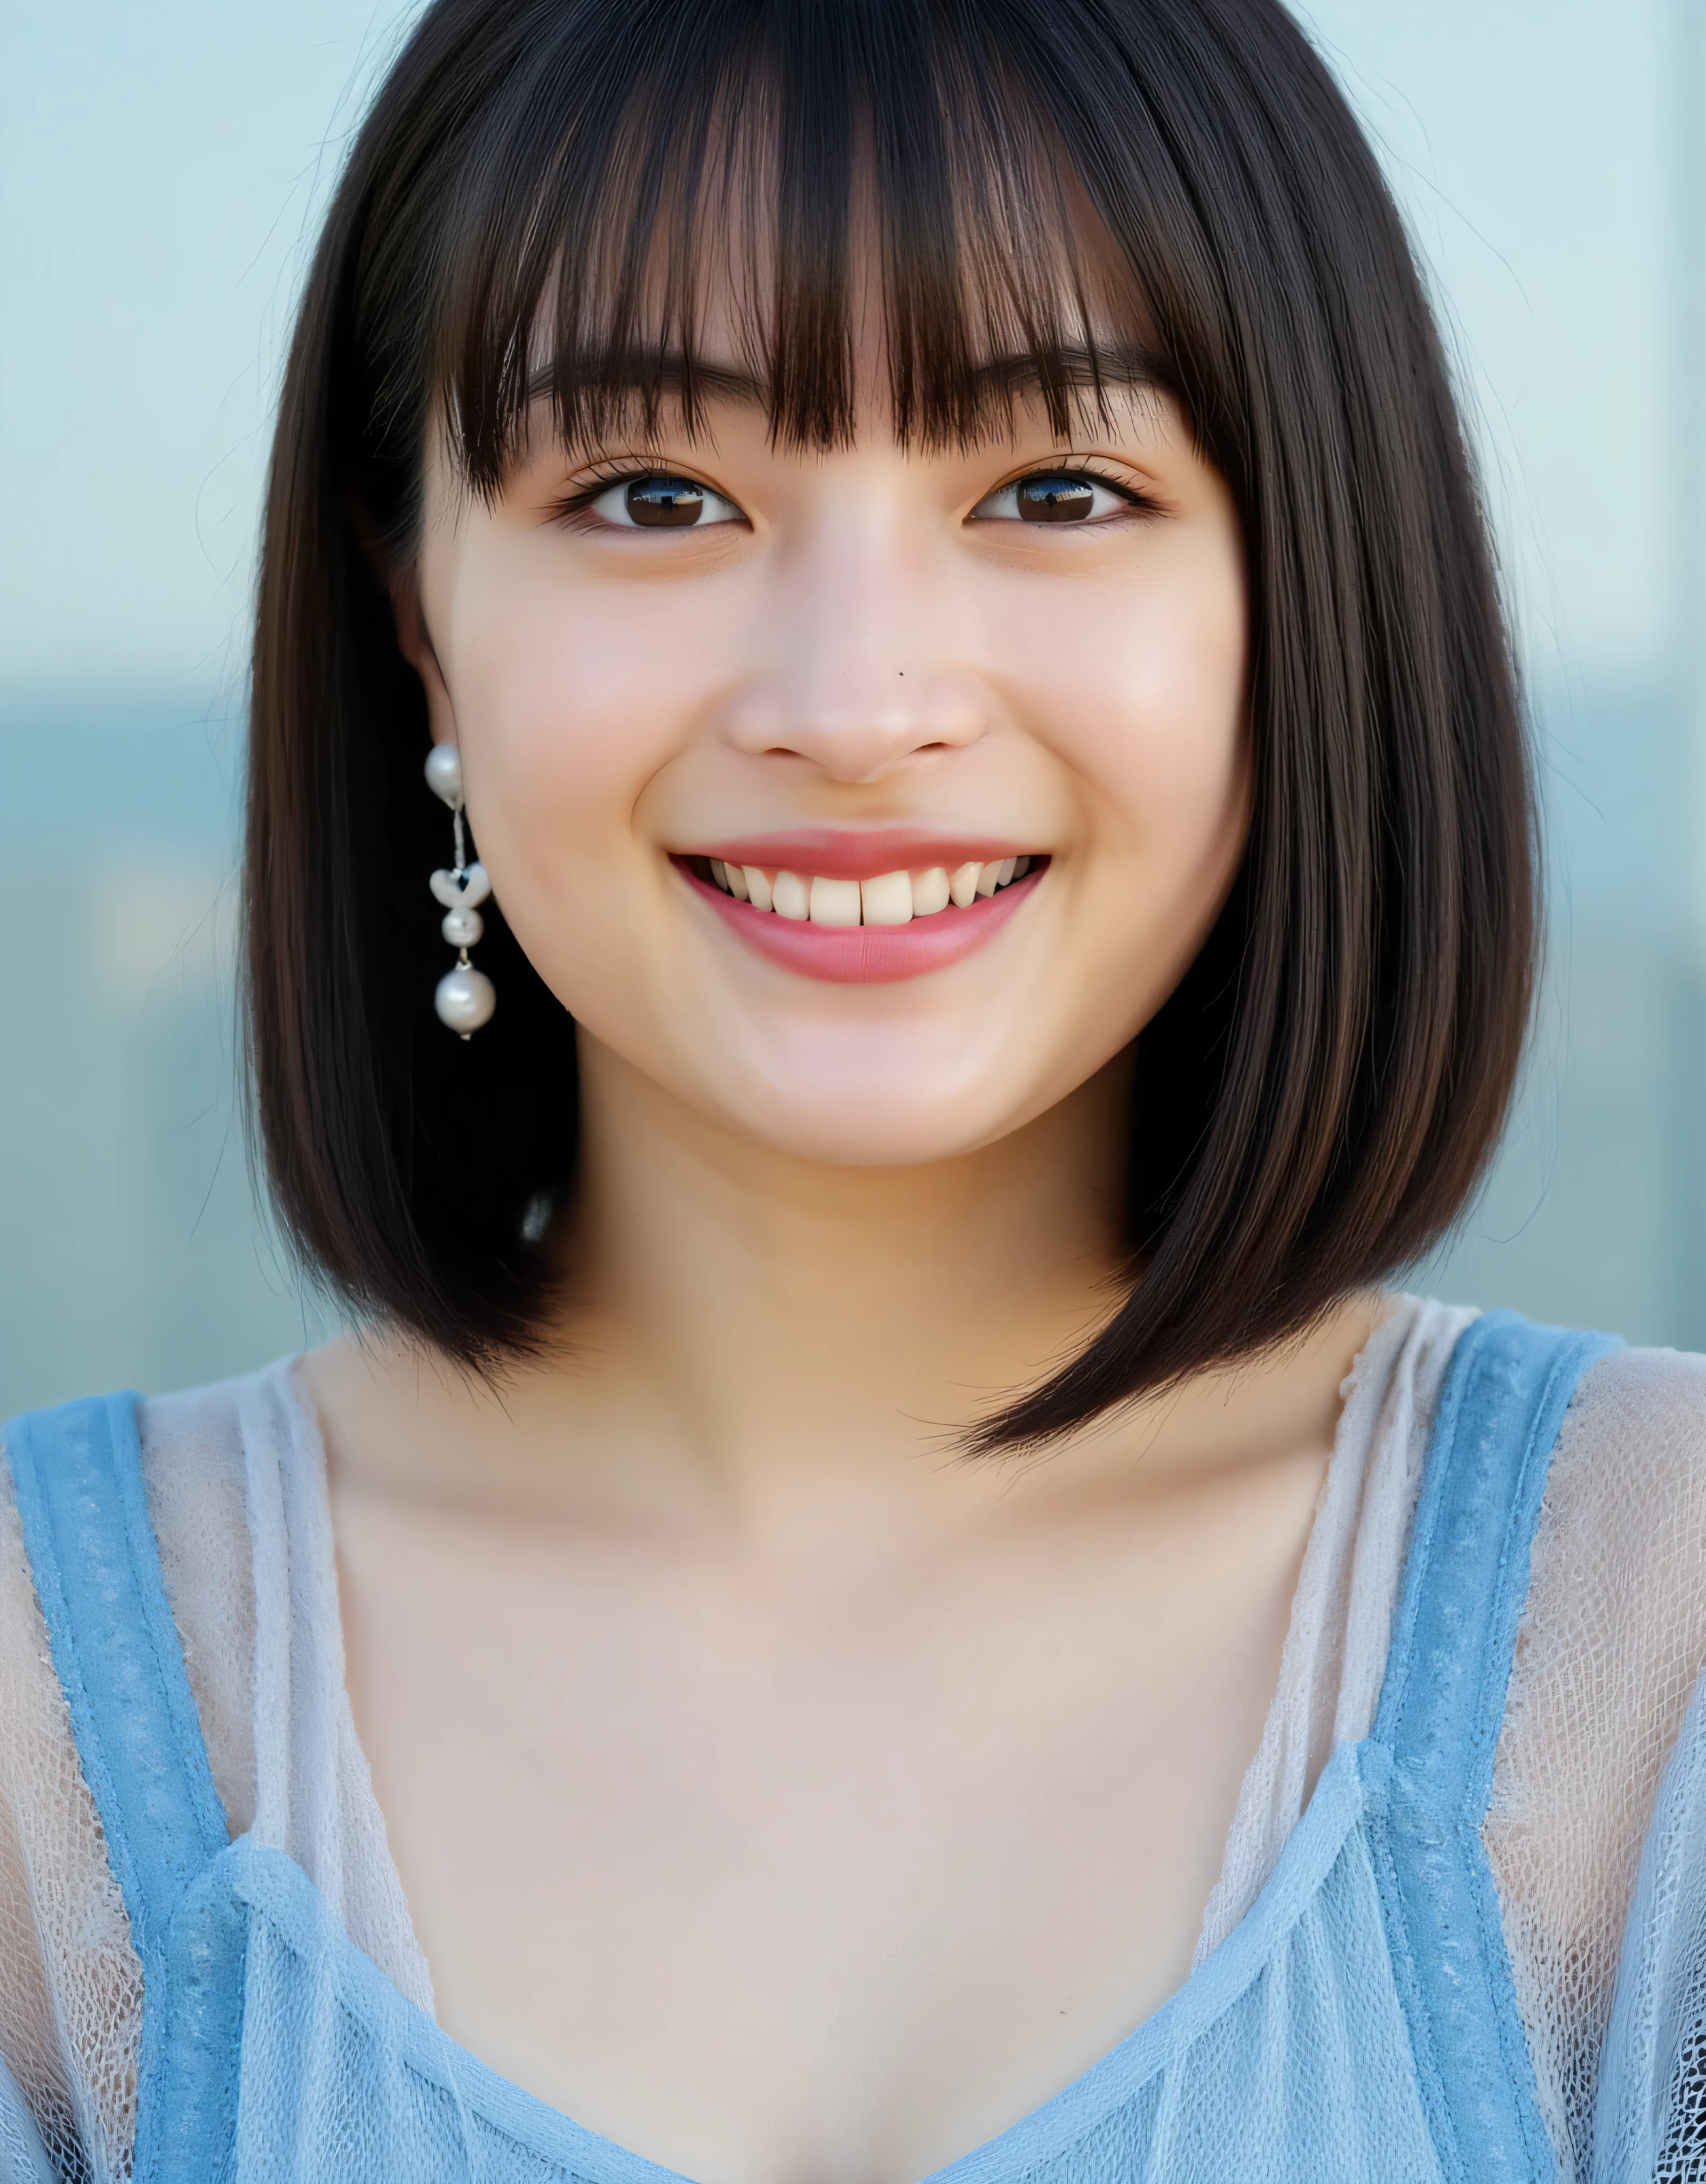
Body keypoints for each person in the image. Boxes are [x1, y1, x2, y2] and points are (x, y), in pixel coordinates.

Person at [3, 0, 1704, 2177]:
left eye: (1057, 489)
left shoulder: (1651, 1640)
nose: (855, 703)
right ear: (416, 608)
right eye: (653, 495)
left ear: (1300, 594)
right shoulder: (45, 1706)